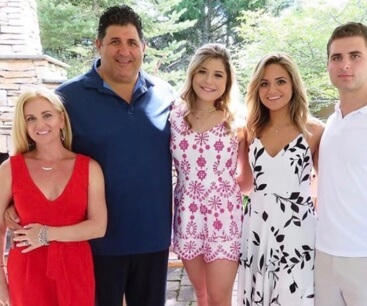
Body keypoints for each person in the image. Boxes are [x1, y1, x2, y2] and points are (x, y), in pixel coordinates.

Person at [4, 5, 176, 306]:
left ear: (144, 47)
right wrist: (12, 203)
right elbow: (35, 145)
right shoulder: (69, 97)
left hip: (153, 237)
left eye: (132, 42)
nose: (124, 51)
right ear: (98, 45)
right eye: (114, 42)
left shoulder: (166, 94)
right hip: (94, 244)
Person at [0, 88, 107, 306]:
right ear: (25, 125)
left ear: (60, 118)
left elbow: (98, 227)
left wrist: (46, 234)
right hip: (27, 271)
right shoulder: (10, 169)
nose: (40, 124)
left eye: (47, 115)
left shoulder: (89, 167)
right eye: (31, 118)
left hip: (76, 269)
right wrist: (1, 284)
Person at [237, 52, 324, 305]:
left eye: (280, 81)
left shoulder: (315, 131)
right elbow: (245, 183)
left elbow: (327, 184)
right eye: (264, 83)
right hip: (256, 228)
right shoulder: (250, 129)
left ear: (294, 84)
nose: (272, 89)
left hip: (297, 231)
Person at [170, 43, 246, 306]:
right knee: (201, 294)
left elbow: (246, 179)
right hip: (187, 216)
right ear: (192, 74)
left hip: (224, 219)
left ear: (227, 81)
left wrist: (219, 192)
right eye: (203, 71)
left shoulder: (235, 122)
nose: (209, 80)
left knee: (219, 297)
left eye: (218, 74)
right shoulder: (174, 117)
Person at [315, 22, 367, 306]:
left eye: (355, 55)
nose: (345, 64)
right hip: (323, 253)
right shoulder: (332, 121)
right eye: (336, 57)